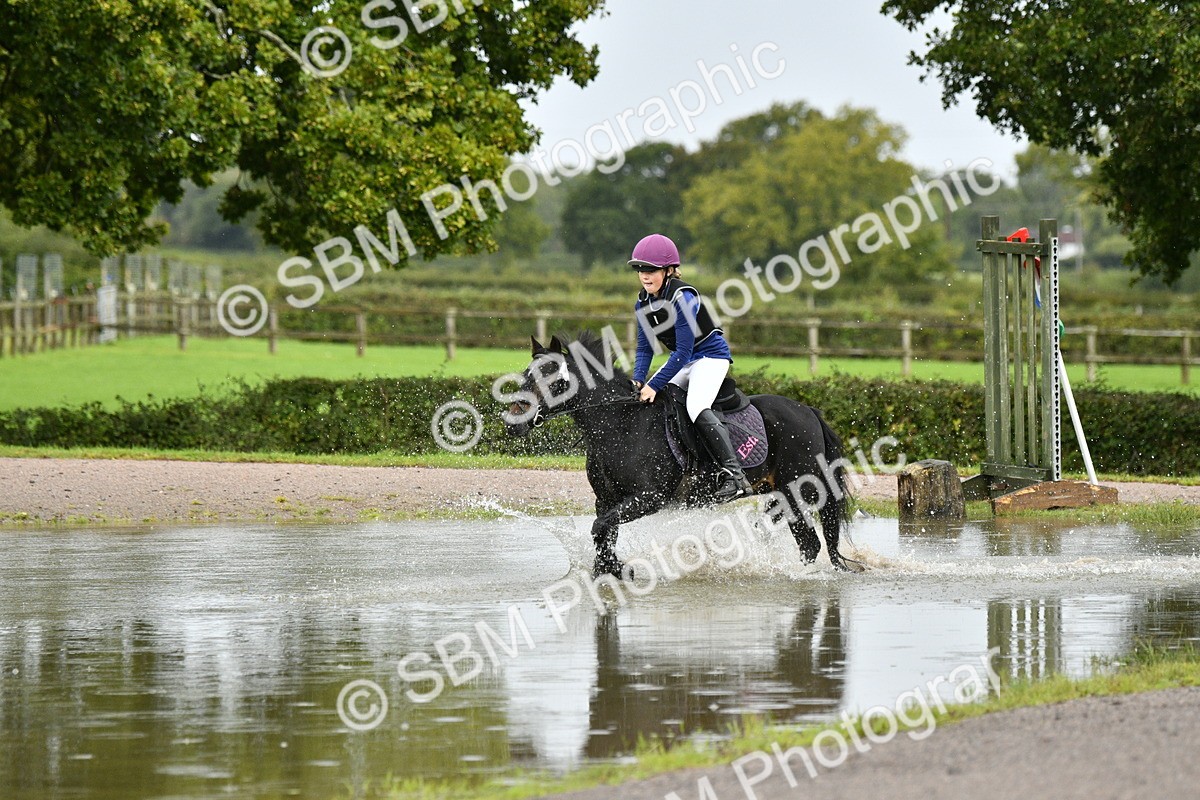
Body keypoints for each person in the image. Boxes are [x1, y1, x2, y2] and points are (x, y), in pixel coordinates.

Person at [629, 233, 753, 501]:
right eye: (640, 269)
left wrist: (653, 383)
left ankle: (736, 476)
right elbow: (644, 348)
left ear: (669, 270)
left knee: (696, 406)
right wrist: (638, 380)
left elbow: (684, 351)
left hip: (710, 358)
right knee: (664, 403)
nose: (644, 275)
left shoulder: (683, 298)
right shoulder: (643, 302)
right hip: (686, 361)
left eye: (650, 269)